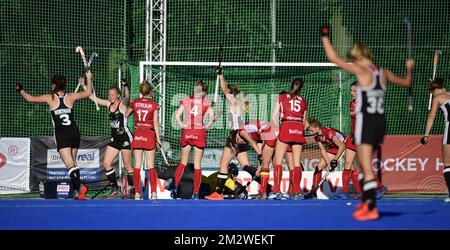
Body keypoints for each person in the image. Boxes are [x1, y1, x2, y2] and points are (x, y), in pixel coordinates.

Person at [321, 26, 414, 220]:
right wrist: (409, 68)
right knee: (364, 167)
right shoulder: (384, 73)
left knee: (364, 167)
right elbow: (406, 82)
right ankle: (369, 204)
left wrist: (325, 37)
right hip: (380, 122)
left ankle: (370, 207)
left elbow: (334, 59)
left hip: (365, 123)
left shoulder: (363, 72)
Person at [16, 71, 93, 200]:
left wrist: (20, 90)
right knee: (73, 162)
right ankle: (79, 192)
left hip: (62, 133)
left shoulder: (50, 98)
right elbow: (88, 93)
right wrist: (88, 80)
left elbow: (30, 98)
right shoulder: (71, 96)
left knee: (69, 164)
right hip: (74, 132)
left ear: (53, 85)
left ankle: (80, 187)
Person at [205, 67, 261, 200]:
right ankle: (268, 187)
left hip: (235, 136)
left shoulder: (235, 102)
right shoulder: (238, 104)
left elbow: (224, 90)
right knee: (246, 166)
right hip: (241, 136)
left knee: (223, 165)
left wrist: (221, 75)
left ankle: (218, 193)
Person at [80, 78, 134, 198]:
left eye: (113, 94)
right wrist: (84, 86)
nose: (110, 96)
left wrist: (125, 86)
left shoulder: (122, 105)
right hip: (115, 139)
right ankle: (114, 188)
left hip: (125, 138)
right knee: (106, 163)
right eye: (109, 94)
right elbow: (93, 98)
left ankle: (133, 189)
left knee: (128, 166)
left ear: (118, 95)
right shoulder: (108, 104)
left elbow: (127, 98)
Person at [173, 80, 215, 199]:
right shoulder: (206, 102)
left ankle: (175, 186)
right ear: (203, 92)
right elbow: (212, 119)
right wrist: (205, 128)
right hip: (198, 133)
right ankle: (196, 193)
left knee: (183, 162)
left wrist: (183, 125)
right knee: (197, 165)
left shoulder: (186, 99)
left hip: (187, 132)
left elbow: (177, 116)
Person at [271, 79, 309, 200]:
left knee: (278, 161)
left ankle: (277, 191)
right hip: (298, 128)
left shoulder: (282, 97)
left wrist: (278, 129)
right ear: (301, 88)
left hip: (286, 126)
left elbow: (273, 117)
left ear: (291, 85)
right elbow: (304, 122)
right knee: (296, 163)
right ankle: (297, 191)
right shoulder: (303, 101)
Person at [305, 117, 359, 199]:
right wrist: (328, 164)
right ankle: (313, 192)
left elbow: (342, 146)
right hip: (334, 148)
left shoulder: (329, 132)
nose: (311, 132)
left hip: (345, 144)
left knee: (349, 167)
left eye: (312, 130)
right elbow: (323, 150)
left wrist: (334, 160)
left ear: (317, 128)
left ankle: (358, 192)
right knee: (318, 167)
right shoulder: (316, 136)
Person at [125, 80, 161, 200]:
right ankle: (154, 193)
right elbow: (156, 123)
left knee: (137, 166)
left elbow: (125, 114)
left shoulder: (135, 102)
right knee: (151, 166)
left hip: (138, 134)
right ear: (150, 91)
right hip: (149, 135)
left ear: (141, 91)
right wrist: (159, 138)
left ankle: (137, 193)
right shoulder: (154, 104)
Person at [421, 78, 450, 203]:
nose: (432, 95)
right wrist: (434, 84)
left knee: (448, 163)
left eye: (432, 92)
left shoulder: (438, 98)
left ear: (435, 90)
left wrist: (426, 135)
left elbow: (431, 117)